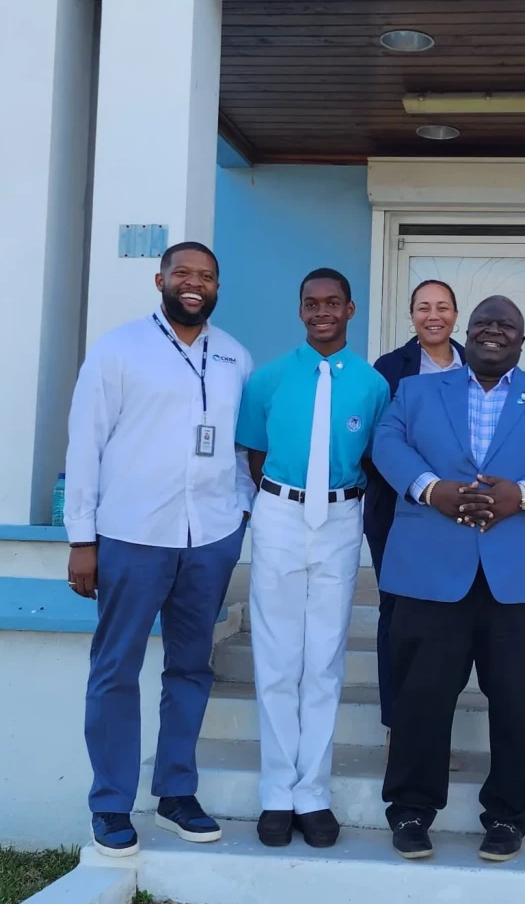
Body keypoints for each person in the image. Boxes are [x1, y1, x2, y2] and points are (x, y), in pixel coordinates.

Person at [372, 295, 525, 863]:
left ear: (523, 339)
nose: (494, 331)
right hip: (430, 571)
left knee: (520, 702)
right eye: (484, 323)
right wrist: (432, 490)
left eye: (507, 325)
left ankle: (506, 815)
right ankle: (411, 810)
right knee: (421, 698)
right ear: (466, 333)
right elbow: (387, 444)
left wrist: (523, 495)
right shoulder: (416, 391)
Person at [65, 242, 254, 858]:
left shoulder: (234, 355)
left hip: (210, 538)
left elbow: (242, 445)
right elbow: (85, 443)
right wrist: (82, 539)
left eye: (207, 276)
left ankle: (176, 794)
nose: (194, 284)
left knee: (192, 667)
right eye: (183, 274)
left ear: (218, 287)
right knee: (116, 667)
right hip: (132, 535)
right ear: (160, 280)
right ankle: (111, 803)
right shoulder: (119, 349)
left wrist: (241, 512)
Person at [237, 268, 390, 851]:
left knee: (324, 659)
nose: (321, 312)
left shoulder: (373, 386)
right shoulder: (269, 379)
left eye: (332, 303)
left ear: (350, 309)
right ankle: (278, 792)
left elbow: (375, 457)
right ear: (300, 310)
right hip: (279, 513)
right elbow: (254, 455)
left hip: (342, 518)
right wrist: (284, 502)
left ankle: (314, 794)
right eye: (311, 303)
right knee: (278, 657)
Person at [364, 280, 465, 734]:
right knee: (398, 614)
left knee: (449, 616)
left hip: (458, 513)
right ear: (411, 316)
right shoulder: (389, 368)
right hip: (397, 509)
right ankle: (398, 726)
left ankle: (435, 727)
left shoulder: (475, 364)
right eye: (423, 307)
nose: (433, 315)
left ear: (456, 316)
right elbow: (375, 442)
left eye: (442, 307)